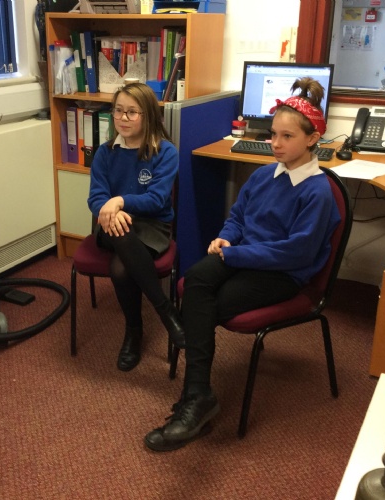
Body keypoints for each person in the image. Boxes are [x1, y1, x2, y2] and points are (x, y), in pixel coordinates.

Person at [144, 77, 342, 451]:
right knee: (196, 277)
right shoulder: (265, 174)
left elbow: (295, 253)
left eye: (287, 137)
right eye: (273, 135)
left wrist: (234, 253)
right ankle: (199, 395)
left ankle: (195, 397)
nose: (276, 144)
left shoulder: (317, 192)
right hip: (245, 255)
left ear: (312, 139)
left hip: (283, 274)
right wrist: (227, 237)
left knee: (207, 305)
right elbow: (238, 215)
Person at [87, 82, 184, 372]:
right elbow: (96, 198)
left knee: (120, 267)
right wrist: (110, 209)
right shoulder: (105, 153)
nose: (123, 118)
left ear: (148, 115)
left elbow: (156, 200)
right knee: (120, 230)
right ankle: (166, 311)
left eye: (132, 112)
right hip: (110, 224)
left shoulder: (165, 151)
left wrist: (119, 201)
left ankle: (134, 331)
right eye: (118, 111)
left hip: (152, 225)